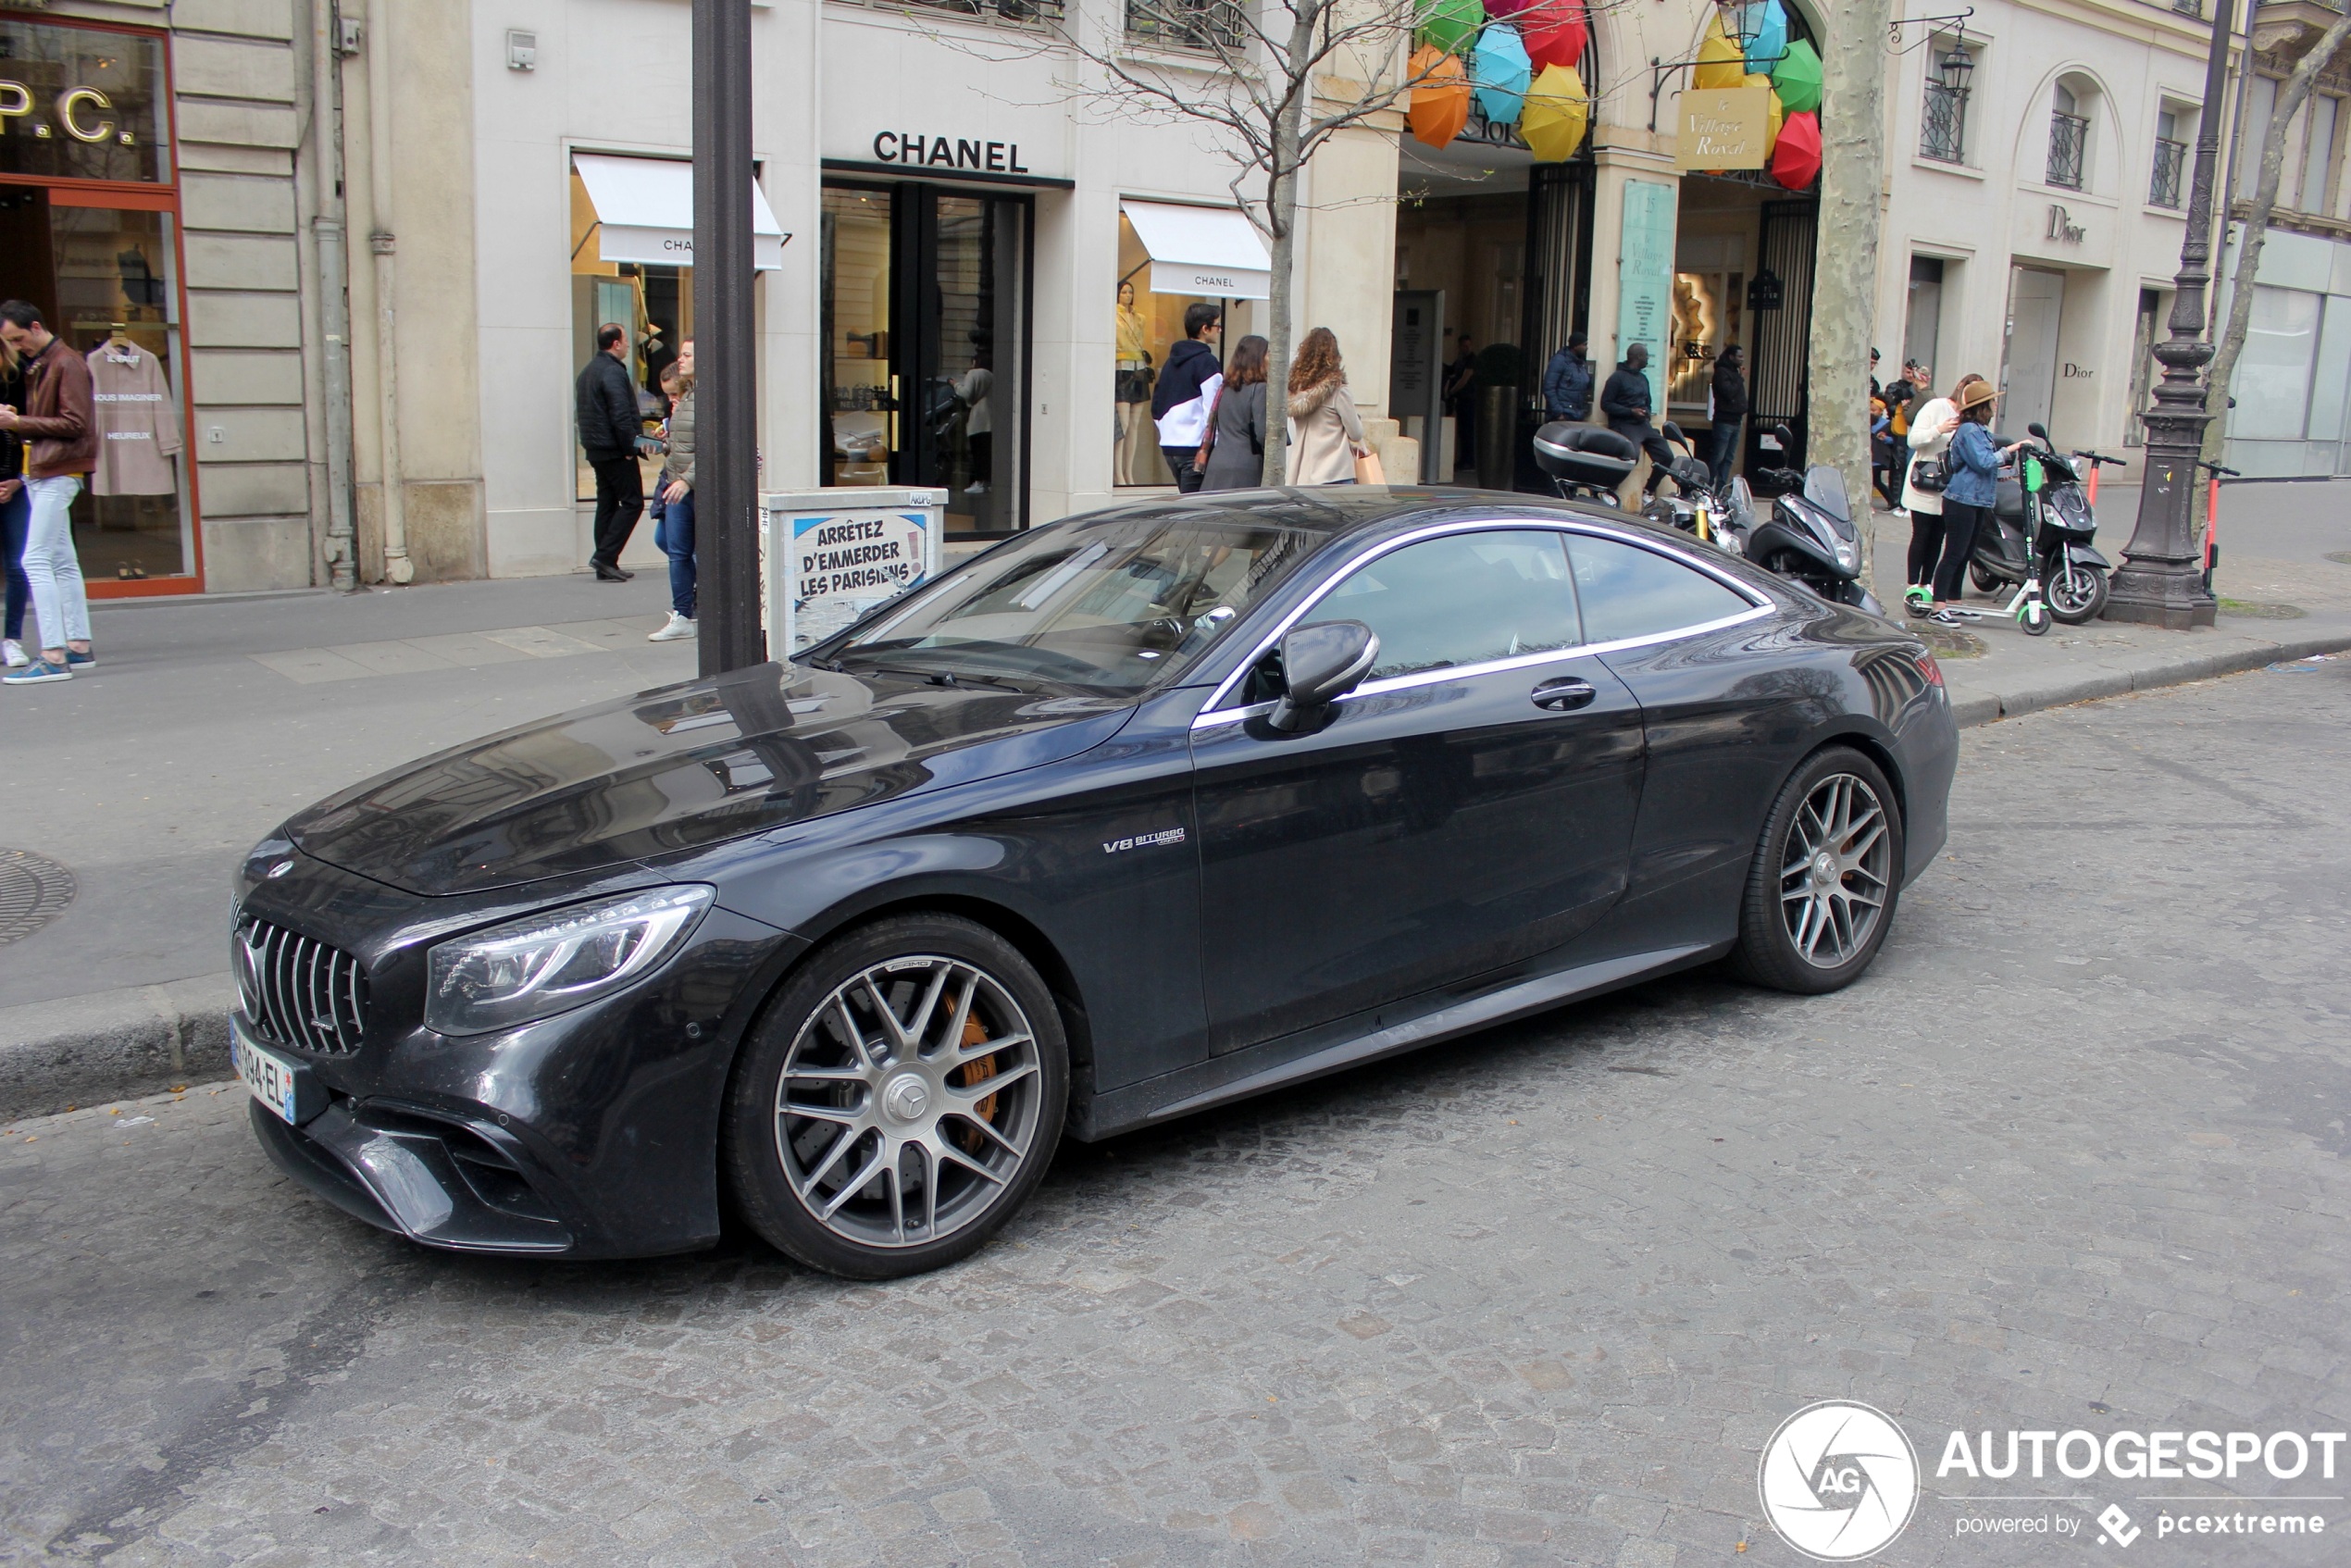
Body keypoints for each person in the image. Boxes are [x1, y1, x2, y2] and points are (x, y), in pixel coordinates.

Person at [0, 301, 95, 685]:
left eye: (18, 339)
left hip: (56, 469)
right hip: (51, 468)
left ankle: (54, 655)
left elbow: (75, 422)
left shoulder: (64, 362)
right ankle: (77, 645)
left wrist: (18, 421)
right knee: (60, 559)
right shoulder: (51, 361)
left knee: (35, 559)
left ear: (36, 327)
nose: (17, 347)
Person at [1931, 380, 2023, 623]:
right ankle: (1938, 605)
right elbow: (1982, 462)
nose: (1995, 404)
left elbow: (1985, 467)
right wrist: (2011, 449)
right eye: (1992, 400)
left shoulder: (1980, 430)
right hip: (1962, 500)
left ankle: (1954, 601)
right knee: (1954, 552)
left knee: (1967, 552)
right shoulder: (1969, 430)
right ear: (1983, 405)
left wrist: (2007, 473)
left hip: (1978, 499)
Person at [1900, 369, 1973, 614]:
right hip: (1924, 479)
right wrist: (1939, 429)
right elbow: (1914, 440)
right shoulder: (1936, 406)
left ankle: (1927, 583)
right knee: (1921, 533)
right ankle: (1913, 585)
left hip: (1948, 484)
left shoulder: (1970, 416)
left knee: (1938, 536)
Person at [577, 321, 642, 581]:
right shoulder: (613, 372)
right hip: (615, 449)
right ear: (615, 344)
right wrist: (629, 447)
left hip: (596, 449)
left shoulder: (589, 371)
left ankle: (606, 561)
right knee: (633, 502)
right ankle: (605, 556)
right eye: (625, 340)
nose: (628, 344)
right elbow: (621, 415)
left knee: (606, 502)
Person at [649, 344, 697, 642]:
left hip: (692, 487)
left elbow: (715, 446)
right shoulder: (687, 397)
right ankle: (682, 615)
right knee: (676, 552)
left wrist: (688, 480)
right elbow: (683, 448)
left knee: (693, 553)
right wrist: (665, 443)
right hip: (677, 485)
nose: (680, 359)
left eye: (688, 355)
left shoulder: (708, 397)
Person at [1151, 303, 1222, 494]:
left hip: (1170, 445)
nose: (1220, 330)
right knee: (1193, 508)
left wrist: (1167, 429)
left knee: (1188, 502)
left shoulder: (1170, 362)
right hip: (1195, 447)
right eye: (1217, 325)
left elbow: (1156, 405)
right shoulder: (1207, 362)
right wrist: (1211, 443)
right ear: (1204, 329)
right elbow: (1214, 407)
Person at [1285, 327, 1370, 486]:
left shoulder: (1296, 390)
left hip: (1302, 473)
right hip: (1335, 473)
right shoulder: (1338, 391)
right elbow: (1356, 433)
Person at [1600, 342, 1674, 496]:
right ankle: (1609, 490)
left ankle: (1648, 491)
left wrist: (1645, 411)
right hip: (1624, 423)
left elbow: (1648, 403)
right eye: (1646, 355)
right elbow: (1606, 404)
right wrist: (1629, 412)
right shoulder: (1617, 378)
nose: (1648, 359)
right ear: (1638, 357)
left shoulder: (1643, 378)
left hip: (1642, 424)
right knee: (1631, 455)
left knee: (1666, 456)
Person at [1199, 334, 1270, 492]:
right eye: (1268, 353)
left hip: (1217, 462)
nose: (1270, 359)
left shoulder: (1225, 388)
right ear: (1257, 358)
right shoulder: (1261, 389)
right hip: (1245, 466)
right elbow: (1263, 433)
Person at [0, 338, 29, 668]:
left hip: (14, 483)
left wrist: (19, 481)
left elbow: (34, 431)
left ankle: (12, 638)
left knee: (18, 565)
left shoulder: (17, 374)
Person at [1114, 280, 1152, 485]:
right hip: (1121, 368)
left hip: (1139, 368)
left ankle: (1128, 472)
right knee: (1123, 425)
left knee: (1134, 425)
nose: (1127, 295)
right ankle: (1117, 473)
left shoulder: (1141, 318)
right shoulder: (1113, 316)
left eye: (1130, 292)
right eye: (1123, 292)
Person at [1706, 343, 1748, 488]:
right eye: (1739, 356)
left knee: (1729, 458)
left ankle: (1721, 488)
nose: (1742, 360)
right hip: (1724, 421)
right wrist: (1740, 379)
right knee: (1719, 456)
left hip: (1736, 420)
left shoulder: (1734, 372)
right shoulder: (1722, 372)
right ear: (1731, 357)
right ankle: (1709, 484)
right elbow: (1728, 392)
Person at [955, 347, 993, 500]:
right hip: (991, 420)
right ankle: (987, 482)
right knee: (986, 453)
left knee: (977, 452)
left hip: (978, 420)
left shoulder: (973, 373)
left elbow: (967, 394)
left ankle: (979, 482)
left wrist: (955, 385)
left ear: (975, 361)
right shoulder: (991, 375)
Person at [1444, 331, 1479, 467]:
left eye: (1468, 346)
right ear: (1459, 346)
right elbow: (1452, 372)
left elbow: (1464, 379)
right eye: (1464, 346)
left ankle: (1469, 461)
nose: (1466, 348)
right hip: (1462, 400)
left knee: (1468, 431)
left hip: (1469, 399)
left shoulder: (1471, 360)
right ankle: (1464, 460)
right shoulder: (1460, 360)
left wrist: (1451, 392)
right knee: (1463, 431)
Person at [1542, 331, 1594, 422]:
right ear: (1575, 346)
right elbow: (1548, 387)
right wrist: (1558, 413)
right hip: (1562, 415)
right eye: (1584, 344)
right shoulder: (1559, 361)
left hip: (1577, 415)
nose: (1587, 348)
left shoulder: (1581, 364)